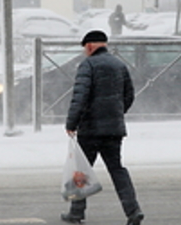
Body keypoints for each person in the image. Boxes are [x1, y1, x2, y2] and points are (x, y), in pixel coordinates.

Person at [61, 30, 144, 225]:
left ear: (89, 46)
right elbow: (129, 95)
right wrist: (115, 115)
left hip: (90, 130)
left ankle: (76, 213)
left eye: (85, 49)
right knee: (117, 169)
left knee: (81, 171)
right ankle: (133, 211)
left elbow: (79, 98)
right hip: (114, 130)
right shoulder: (119, 65)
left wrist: (71, 123)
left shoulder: (87, 65)